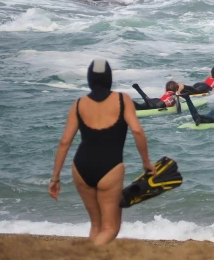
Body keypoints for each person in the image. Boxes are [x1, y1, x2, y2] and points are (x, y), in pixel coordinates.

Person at [49, 59, 155, 246]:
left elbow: (65, 141)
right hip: (110, 167)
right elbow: (137, 131)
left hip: (80, 167)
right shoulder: (123, 100)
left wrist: (55, 178)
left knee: (97, 225)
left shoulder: (78, 104)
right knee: (111, 228)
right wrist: (146, 162)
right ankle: (84, 257)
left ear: (90, 79)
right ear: (109, 78)